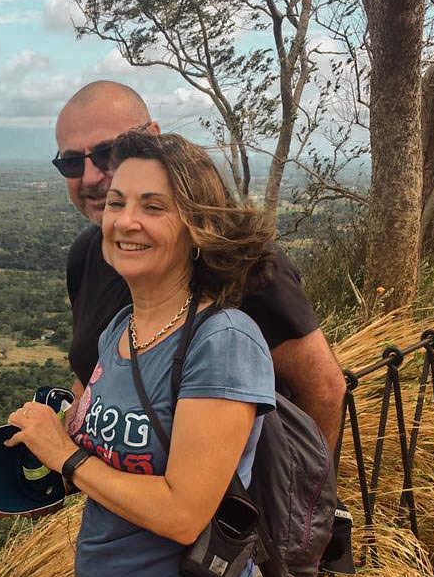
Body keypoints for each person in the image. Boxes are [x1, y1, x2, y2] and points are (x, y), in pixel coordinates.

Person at [0, 131, 279, 577]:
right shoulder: (119, 330)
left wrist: (65, 453)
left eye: (154, 207)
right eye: (117, 203)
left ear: (198, 228)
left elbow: (182, 514)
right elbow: (74, 465)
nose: (126, 221)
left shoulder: (223, 342)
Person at [56, 81, 347, 452]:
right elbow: (90, 373)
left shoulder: (241, 261)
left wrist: (311, 501)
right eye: (70, 162)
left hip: (235, 502)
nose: (91, 177)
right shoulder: (87, 256)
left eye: (107, 152)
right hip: (117, 498)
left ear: (153, 140)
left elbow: (323, 389)